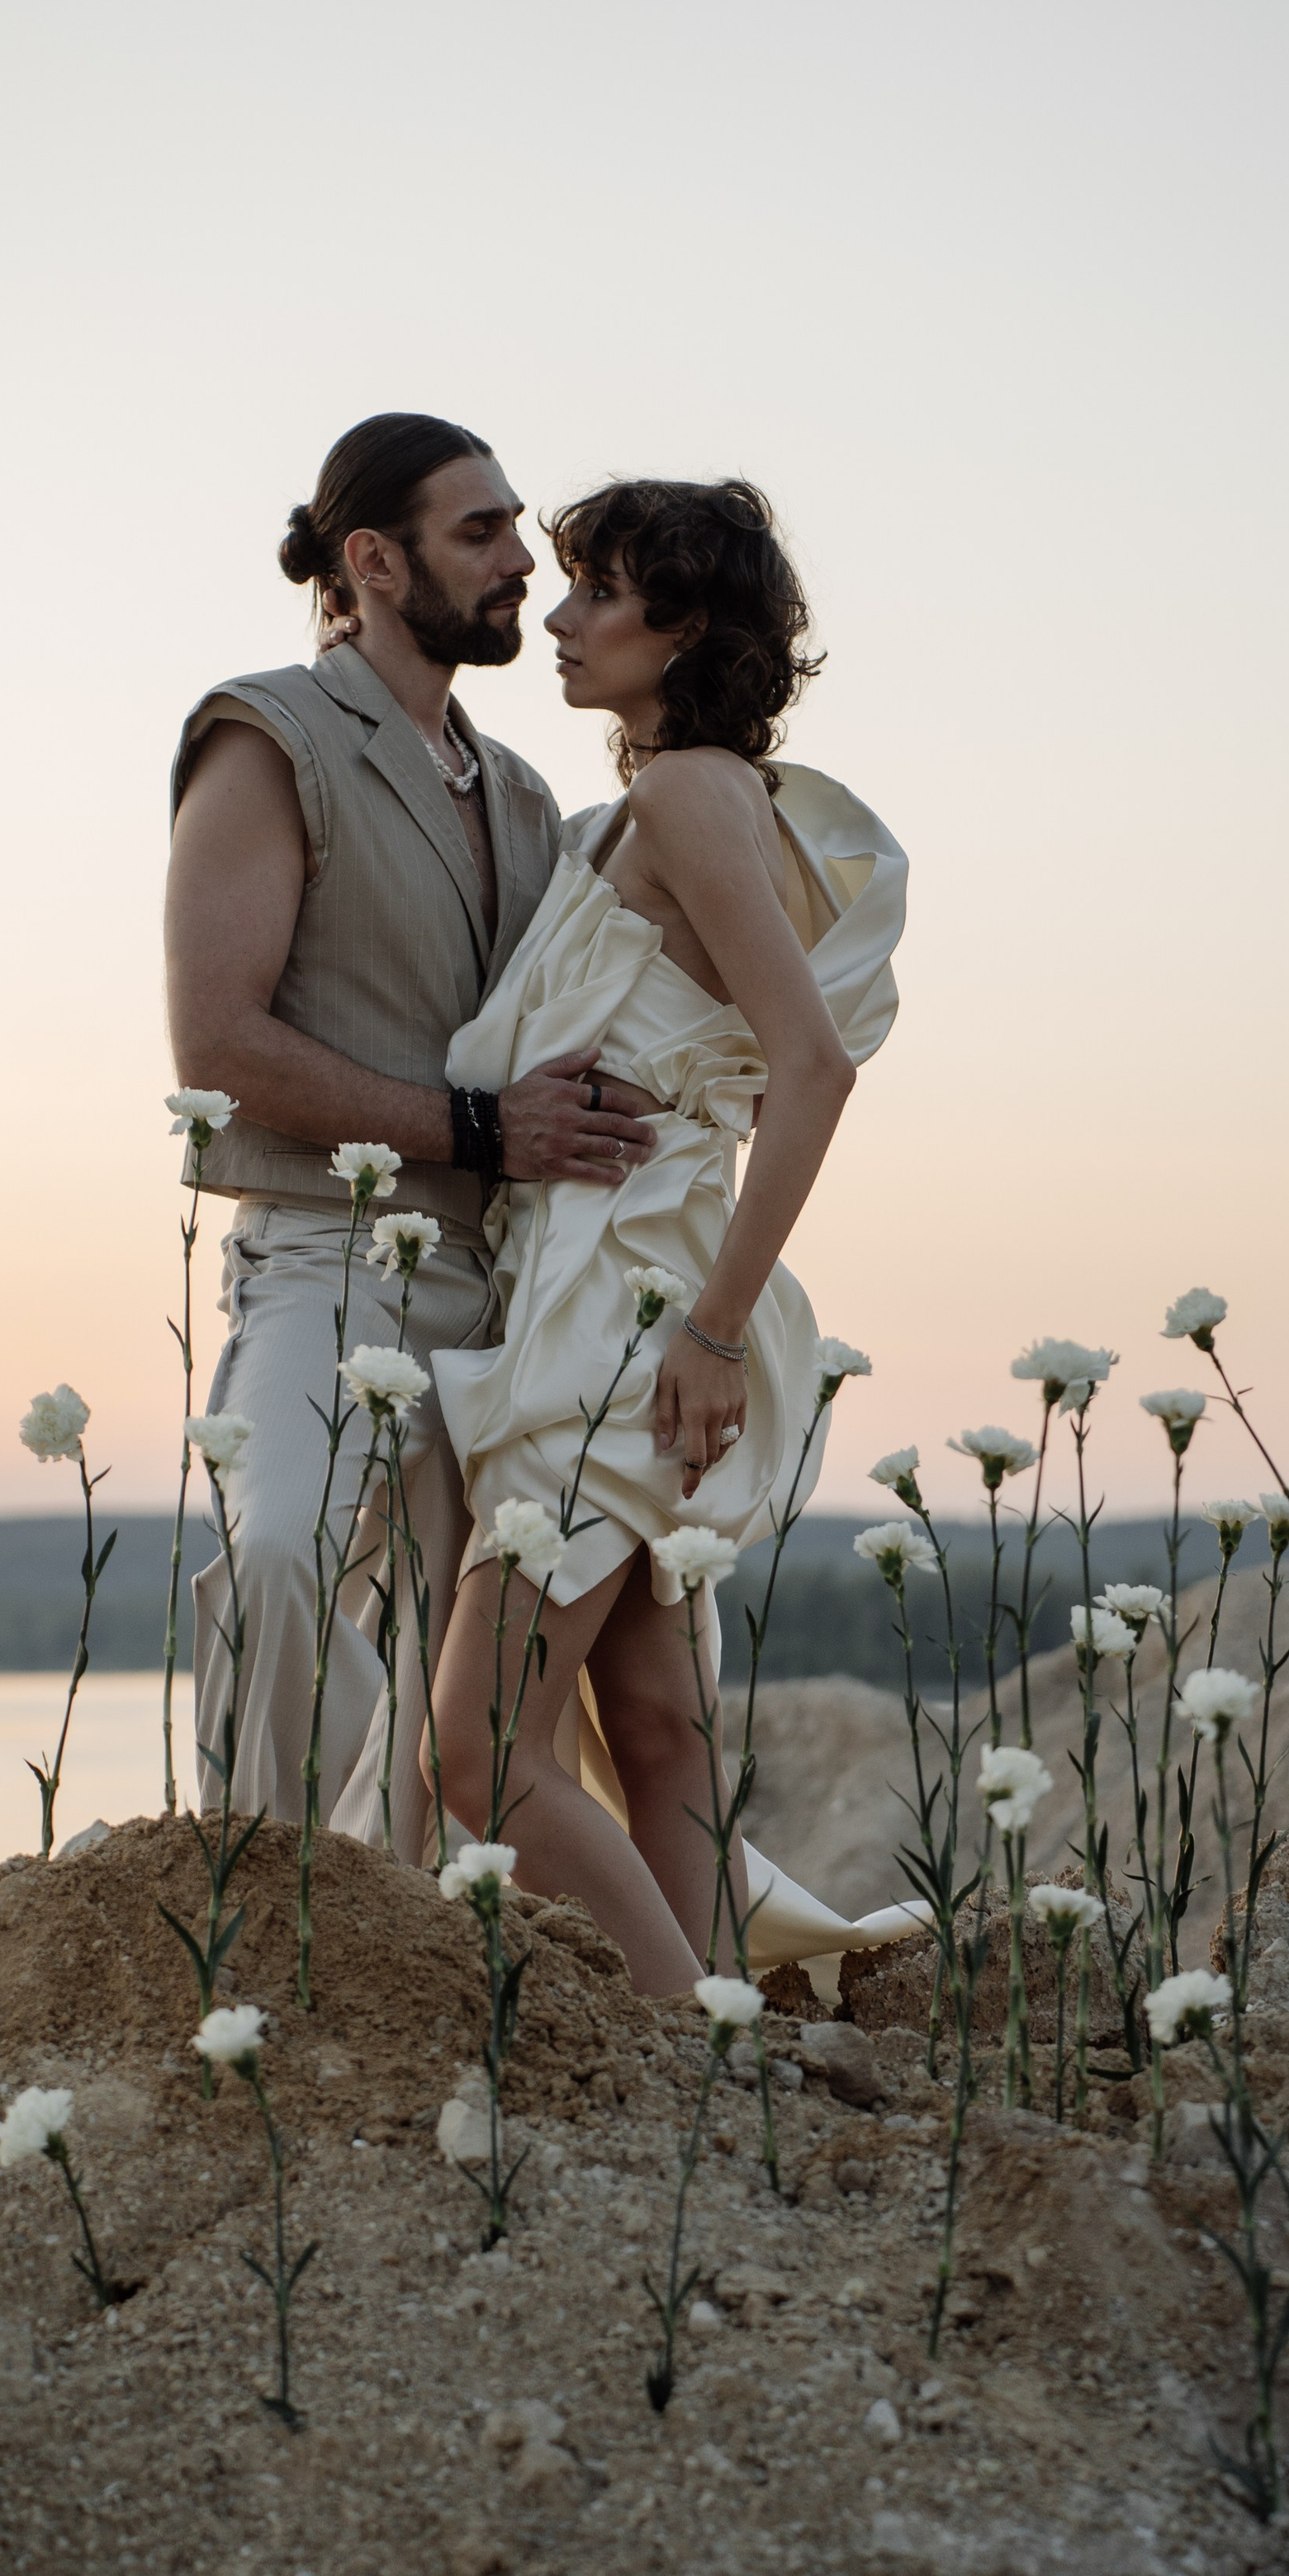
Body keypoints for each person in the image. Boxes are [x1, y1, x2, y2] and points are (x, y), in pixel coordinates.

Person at [427, 477, 917, 1992]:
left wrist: (712, 1332)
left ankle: (685, 2058)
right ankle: (728, 2062)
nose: (559, 621)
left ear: (685, 626)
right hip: (617, 1290)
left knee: (479, 1752)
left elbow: (814, 1068)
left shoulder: (694, 792)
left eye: (599, 594)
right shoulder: (670, 803)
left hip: (622, 1312)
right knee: (656, 1735)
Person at [163, 413, 658, 1842]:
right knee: (277, 1559)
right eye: (482, 532)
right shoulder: (268, 733)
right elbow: (219, 1043)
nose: (522, 562)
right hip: (324, 1257)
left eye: (516, 531)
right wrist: (483, 1126)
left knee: (471, 1690)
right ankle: (261, 1919)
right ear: (373, 562)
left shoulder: (523, 796)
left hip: (510, 1291)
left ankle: (423, 1981)